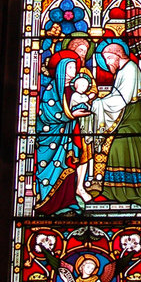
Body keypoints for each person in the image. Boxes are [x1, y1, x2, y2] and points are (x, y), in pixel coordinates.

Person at [91, 41, 141, 205]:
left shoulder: (130, 69)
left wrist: (98, 104)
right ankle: (113, 191)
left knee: (121, 147)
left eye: (108, 58)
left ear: (117, 55)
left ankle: (129, 192)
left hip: (132, 115)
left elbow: (122, 98)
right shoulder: (123, 70)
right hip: (127, 114)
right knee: (119, 147)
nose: (108, 63)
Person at [36, 50, 91, 213]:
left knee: (70, 165)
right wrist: (71, 115)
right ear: (61, 69)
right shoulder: (52, 90)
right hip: (53, 139)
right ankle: (47, 203)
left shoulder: (72, 91)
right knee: (54, 168)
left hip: (69, 136)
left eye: (75, 67)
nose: (74, 71)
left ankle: (69, 202)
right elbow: (46, 114)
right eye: (70, 67)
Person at [70, 72, 97, 203]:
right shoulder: (75, 96)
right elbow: (82, 101)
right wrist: (90, 96)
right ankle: (76, 186)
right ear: (75, 85)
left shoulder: (81, 96)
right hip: (76, 131)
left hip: (86, 131)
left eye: (86, 84)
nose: (84, 86)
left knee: (86, 157)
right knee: (79, 157)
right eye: (81, 84)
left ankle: (80, 185)